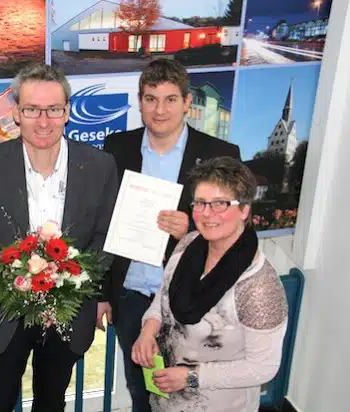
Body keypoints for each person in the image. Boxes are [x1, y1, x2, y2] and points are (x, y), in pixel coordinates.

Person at [0, 63, 118, 412]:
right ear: (17, 112)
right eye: (32, 109)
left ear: (67, 112)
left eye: (54, 109)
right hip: (4, 313)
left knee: (51, 403)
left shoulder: (99, 165)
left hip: (67, 314)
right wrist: (12, 286)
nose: (43, 121)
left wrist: (69, 283)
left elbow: (106, 237)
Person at [102, 59, 241, 411]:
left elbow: (236, 230)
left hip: (191, 296)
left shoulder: (220, 155)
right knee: (141, 389)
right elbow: (102, 221)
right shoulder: (117, 148)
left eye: (169, 99)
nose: (159, 110)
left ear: (187, 102)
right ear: (139, 101)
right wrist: (102, 294)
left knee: (189, 392)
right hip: (132, 294)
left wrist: (192, 230)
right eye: (150, 99)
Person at [132, 156, 288, 411]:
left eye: (220, 204)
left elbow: (263, 368)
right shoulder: (187, 244)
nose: (207, 214)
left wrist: (191, 377)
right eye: (201, 203)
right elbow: (163, 300)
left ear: (244, 210)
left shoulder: (259, 286)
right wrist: (148, 332)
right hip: (165, 400)